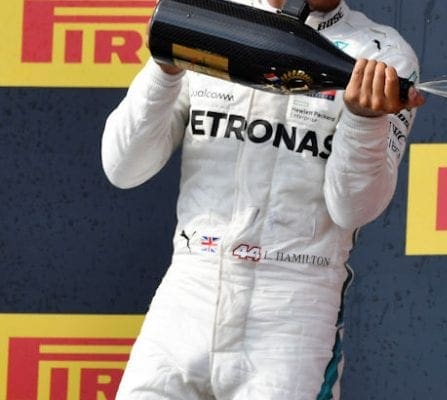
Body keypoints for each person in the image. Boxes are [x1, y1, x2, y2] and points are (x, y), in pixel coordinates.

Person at [101, 0, 424, 397]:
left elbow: (353, 209)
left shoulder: (380, 54)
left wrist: (364, 121)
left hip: (291, 314)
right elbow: (123, 167)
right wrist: (164, 69)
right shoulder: (211, 19)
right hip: (186, 297)